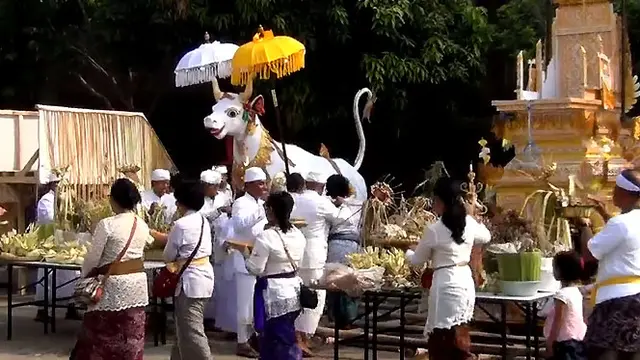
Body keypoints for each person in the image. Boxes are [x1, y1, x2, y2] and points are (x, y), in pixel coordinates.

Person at [406, 176, 491, 360]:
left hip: (445, 284)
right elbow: (486, 236)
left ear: (440, 201)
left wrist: (408, 252)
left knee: (442, 339)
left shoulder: (434, 229)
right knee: (460, 333)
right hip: (464, 282)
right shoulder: (468, 223)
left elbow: (417, 260)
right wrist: (472, 215)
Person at [73, 178, 150, 359]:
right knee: (130, 339)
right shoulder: (142, 224)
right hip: (137, 288)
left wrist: (85, 275)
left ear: (114, 199)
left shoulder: (108, 224)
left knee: (100, 341)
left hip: (111, 289)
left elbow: (93, 259)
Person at [578, 170, 640, 360]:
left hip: (616, 301)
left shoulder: (620, 223)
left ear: (624, 193)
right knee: (633, 352)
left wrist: (584, 226)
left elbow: (589, 254)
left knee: (605, 353)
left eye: (615, 189)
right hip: (637, 295)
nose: (612, 194)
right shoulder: (625, 222)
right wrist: (607, 216)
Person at [246, 191, 306, 360]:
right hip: (294, 292)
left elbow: (255, 269)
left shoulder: (266, 237)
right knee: (284, 335)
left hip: (274, 295)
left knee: (276, 341)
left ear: (271, 210)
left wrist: (245, 254)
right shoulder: (298, 234)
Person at [163, 181, 214, 360]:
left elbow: (168, 255)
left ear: (181, 202)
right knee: (183, 329)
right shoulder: (203, 220)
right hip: (204, 278)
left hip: (190, 281)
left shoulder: (181, 224)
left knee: (192, 330)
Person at [292, 170, 340, 356]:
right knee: (315, 299)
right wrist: (341, 204)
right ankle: (302, 338)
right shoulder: (321, 202)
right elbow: (340, 218)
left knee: (297, 297)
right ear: (321, 186)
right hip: (313, 255)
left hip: (295, 253)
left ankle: (299, 338)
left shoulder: (295, 199)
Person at [230, 167, 269, 357]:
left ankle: (254, 338)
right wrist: (262, 212)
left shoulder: (259, 203)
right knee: (244, 305)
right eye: (260, 183)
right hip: (244, 260)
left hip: (259, 259)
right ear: (250, 185)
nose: (265, 187)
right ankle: (241, 342)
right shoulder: (240, 203)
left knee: (256, 305)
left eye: (265, 182)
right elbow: (239, 225)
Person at [35, 172, 81, 322]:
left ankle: (71, 307)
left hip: (66, 243)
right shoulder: (46, 200)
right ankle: (43, 310)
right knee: (48, 278)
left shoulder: (68, 200)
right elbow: (48, 219)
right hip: (50, 243)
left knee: (71, 276)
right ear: (53, 185)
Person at [325, 174, 362, 329]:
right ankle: (348, 319)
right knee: (350, 280)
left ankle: (334, 316)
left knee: (334, 280)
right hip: (353, 246)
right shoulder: (358, 204)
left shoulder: (328, 203)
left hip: (334, 244)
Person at [542, 251, 586, 360]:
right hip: (578, 340)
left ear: (560, 271)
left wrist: (550, 342)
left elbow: (558, 321)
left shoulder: (561, 295)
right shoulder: (576, 292)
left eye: (554, 268)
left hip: (563, 343)